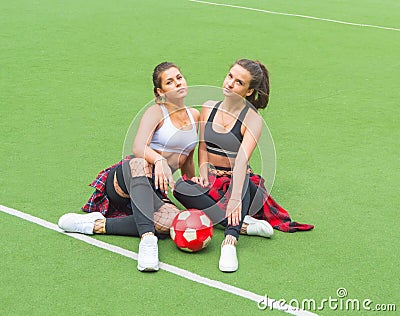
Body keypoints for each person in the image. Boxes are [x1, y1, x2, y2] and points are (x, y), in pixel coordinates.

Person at [173, 59, 313, 273]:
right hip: (213, 179)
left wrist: (236, 198)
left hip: (239, 179)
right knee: (180, 187)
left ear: (249, 92)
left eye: (239, 82)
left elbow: (241, 161)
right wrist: (203, 174)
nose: (229, 83)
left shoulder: (252, 120)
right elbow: (203, 148)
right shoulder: (209, 107)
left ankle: (230, 240)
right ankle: (245, 225)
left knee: (243, 183)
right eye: (230, 76)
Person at [58, 62, 200, 272]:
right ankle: (147, 240)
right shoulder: (156, 112)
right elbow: (138, 145)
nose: (178, 83)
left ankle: (94, 225)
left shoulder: (195, 116)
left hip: (154, 191)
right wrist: (159, 160)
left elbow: (187, 158)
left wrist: (190, 184)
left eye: (179, 77)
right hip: (127, 180)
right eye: (170, 82)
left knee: (173, 223)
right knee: (140, 163)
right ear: (160, 92)